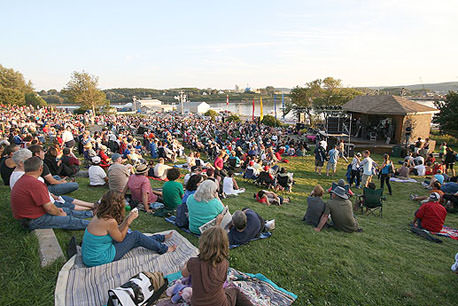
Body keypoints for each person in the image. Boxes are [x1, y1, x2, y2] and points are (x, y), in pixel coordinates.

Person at [82, 191, 176, 267]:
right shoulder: (110, 221)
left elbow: (116, 231)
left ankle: (160, 238)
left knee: (135, 238)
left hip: (90, 257)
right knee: (136, 236)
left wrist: (127, 218)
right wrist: (128, 222)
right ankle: (164, 249)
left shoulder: (100, 215)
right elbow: (120, 238)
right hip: (99, 258)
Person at [10, 157, 92, 230]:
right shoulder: (35, 183)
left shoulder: (23, 179)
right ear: (41, 168)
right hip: (32, 220)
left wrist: (57, 211)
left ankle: (90, 213)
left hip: (28, 216)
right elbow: (49, 207)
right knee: (68, 220)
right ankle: (95, 226)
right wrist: (59, 214)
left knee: (64, 210)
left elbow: (48, 206)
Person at [181, 226, 253, 306]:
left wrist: (186, 263)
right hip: (220, 303)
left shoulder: (192, 262)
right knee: (235, 291)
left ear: (202, 243)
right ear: (224, 245)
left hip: (197, 303)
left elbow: (184, 273)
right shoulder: (225, 263)